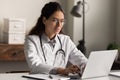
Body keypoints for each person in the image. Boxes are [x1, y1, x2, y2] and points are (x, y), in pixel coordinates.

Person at [24, 2, 87, 76]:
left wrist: (86, 66)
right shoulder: (31, 40)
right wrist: (62, 70)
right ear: (44, 20)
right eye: (55, 20)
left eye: (62, 21)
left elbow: (81, 60)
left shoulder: (65, 40)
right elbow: (35, 65)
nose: (59, 25)